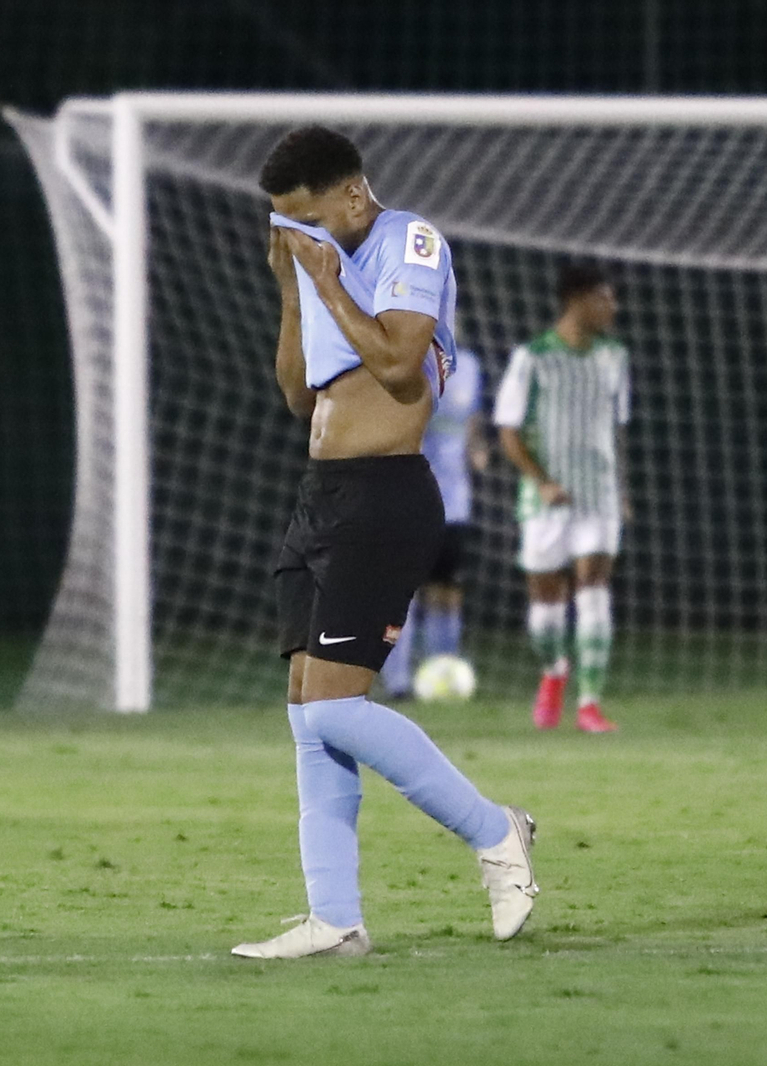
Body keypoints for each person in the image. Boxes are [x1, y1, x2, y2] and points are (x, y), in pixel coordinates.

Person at [232, 126, 537, 960]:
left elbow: (403, 367)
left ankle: (496, 832)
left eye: (306, 218)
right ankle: (335, 921)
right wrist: (295, 291)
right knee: (309, 714)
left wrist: (329, 285)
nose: (299, 235)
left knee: (337, 704)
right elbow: (298, 396)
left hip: (385, 495)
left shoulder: (409, 241)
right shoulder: (320, 269)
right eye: (284, 224)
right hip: (321, 497)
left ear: (351, 195)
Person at [494, 263, 630, 733]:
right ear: (578, 300)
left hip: (599, 493)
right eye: (605, 298)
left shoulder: (614, 356)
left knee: (594, 588)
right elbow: (508, 431)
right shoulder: (532, 357)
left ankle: (590, 704)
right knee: (545, 608)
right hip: (546, 499)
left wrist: (622, 489)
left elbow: (615, 429)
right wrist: (541, 480)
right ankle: (554, 672)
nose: (613, 308)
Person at [379, 349, 491, 699]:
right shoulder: (406, 361)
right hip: (408, 497)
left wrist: (477, 450)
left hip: (455, 502)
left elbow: (472, 420)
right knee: (403, 593)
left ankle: (441, 677)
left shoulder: (470, 365)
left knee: (447, 592)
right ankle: (397, 682)